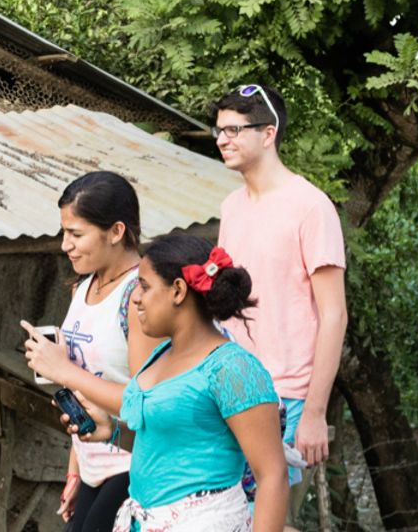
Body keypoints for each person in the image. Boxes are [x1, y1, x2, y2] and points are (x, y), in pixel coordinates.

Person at [25, 234, 291, 531]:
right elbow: (168, 441)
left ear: (178, 291)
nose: (136, 297)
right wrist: (112, 431)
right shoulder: (160, 356)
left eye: (145, 286)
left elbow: (273, 476)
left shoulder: (233, 369)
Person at [210, 83, 347, 483]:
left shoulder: (311, 206)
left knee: (267, 519)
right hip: (231, 383)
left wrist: (316, 412)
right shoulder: (231, 206)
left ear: (268, 133)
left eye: (234, 130)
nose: (222, 140)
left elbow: (334, 314)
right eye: (219, 130)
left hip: (285, 394)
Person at [35, 171, 152, 532]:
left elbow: (145, 403)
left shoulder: (140, 297)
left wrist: (63, 370)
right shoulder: (82, 289)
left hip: (131, 464)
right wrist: (75, 469)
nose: (64, 245)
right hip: (92, 464)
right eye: (63, 233)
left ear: (116, 232)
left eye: (76, 234)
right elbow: (83, 392)